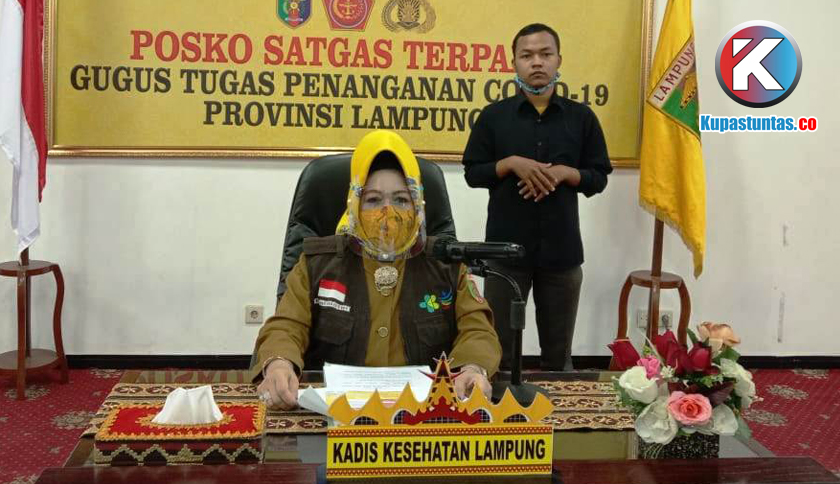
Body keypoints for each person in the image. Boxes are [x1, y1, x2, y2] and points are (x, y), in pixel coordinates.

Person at [252, 130, 501, 409]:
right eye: (373, 200)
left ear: (418, 206)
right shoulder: (317, 264)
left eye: (401, 200)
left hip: (424, 413)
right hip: (334, 412)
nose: (387, 212)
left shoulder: (447, 265)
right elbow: (287, 325)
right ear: (354, 205)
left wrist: (472, 368)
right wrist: (279, 362)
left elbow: (477, 329)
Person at [462, 23, 612, 370]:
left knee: (558, 356)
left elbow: (599, 177)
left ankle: (559, 401)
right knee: (497, 351)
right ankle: (498, 401)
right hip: (504, 253)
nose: (537, 62)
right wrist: (510, 164)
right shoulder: (494, 117)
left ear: (559, 59)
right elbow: (473, 173)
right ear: (513, 62)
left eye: (545, 54)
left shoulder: (581, 117)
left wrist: (564, 173)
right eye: (527, 55)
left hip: (562, 252)